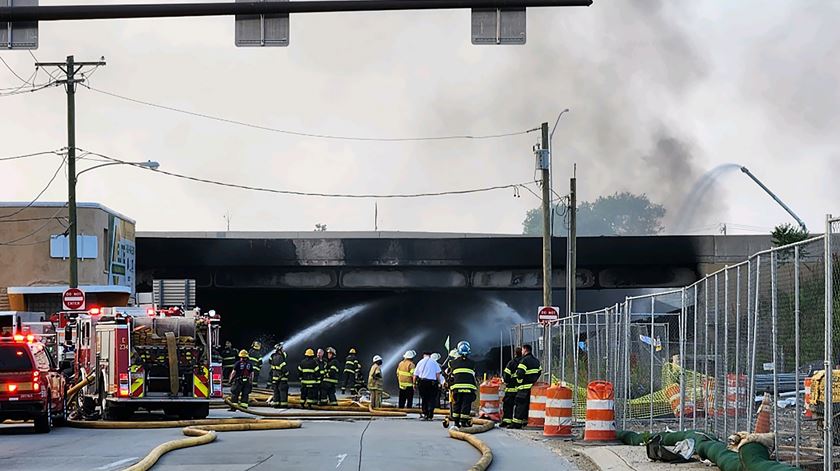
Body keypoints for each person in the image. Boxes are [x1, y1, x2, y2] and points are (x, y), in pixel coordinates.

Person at [511, 344, 542, 429]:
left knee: (520, 405)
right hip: (532, 388)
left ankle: (516, 424)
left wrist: (519, 382)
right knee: (527, 406)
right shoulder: (536, 361)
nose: (521, 351)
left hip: (523, 387)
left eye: (522, 350)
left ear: (525, 350)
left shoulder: (524, 360)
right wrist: (533, 380)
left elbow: (520, 373)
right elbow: (539, 371)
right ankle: (524, 422)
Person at [448, 340, 478, 428]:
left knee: (457, 404)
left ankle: (456, 423)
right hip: (469, 388)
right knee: (466, 405)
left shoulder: (452, 363)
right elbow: (474, 374)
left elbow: (450, 374)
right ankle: (464, 422)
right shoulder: (472, 363)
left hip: (456, 388)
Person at [413, 351, 442, 420]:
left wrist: (414, 384)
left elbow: (415, 375)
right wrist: (439, 382)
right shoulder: (434, 362)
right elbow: (438, 374)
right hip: (432, 383)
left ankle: (425, 414)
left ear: (424, 355)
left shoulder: (420, 362)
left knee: (424, 398)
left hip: (422, 382)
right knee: (432, 398)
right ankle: (430, 414)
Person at [500, 346, 523, 428]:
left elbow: (506, 376)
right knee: (520, 407)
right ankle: (520, 422)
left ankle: (506, 421)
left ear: (515, 353)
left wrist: (506, 381)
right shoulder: (524, 362)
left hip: (511, 389)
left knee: (508, 406)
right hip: (521, 390)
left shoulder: (511, 363)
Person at [269, 343, 289, 408]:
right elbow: (283, 368)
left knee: (276, 391)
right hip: (281, 378)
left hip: (274, 377)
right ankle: (283, 405)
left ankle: (276, 404)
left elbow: (270, 362)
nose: (283, 350)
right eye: (282, 349)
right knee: (283, 391)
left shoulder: (273, 356)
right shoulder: (280, 357)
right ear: (280, 349)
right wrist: (287, 373)